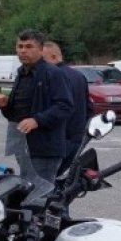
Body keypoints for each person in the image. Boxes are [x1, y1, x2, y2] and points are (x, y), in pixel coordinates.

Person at [0, 29, 73, 181]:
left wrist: (37, 120)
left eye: (29, 46)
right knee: (25, 191)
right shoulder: (22, 74)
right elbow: (16, 115)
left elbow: (64, 106)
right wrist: (4, 105)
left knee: (38, 196)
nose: (23, 51)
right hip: (22, 146)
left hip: (44, 148)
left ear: (41, 50)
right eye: (20, 46)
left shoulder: (53, 73)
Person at [42, 41, 91, 174]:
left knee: (44, 183)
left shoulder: (51, 76)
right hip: (75, 140)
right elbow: (89, 108)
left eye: (43, 60)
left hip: (55, 141)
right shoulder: (79, 77)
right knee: (58, 181)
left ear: (53, 57)